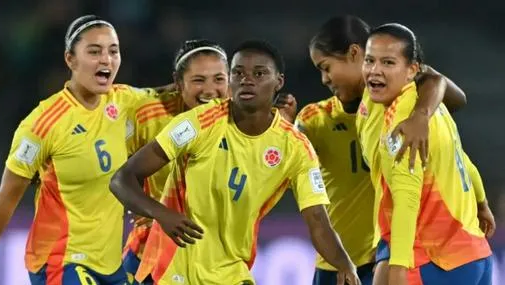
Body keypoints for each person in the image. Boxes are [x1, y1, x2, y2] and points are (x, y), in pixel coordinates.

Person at [109, 40, 360, 285]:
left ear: (278, 82)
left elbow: (318, 220)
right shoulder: (199, 122)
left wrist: (344, 264)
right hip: (172, 269)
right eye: (238, 73)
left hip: (232, 273)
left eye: (259, 73)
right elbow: (122, 179)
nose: (247, 79)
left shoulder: (296, 148)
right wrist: (162, 214)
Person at [299, 15, 482, 285]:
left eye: (326, 67)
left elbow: (444, 88)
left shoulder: (402, 103)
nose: (324, 78)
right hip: (338, 259)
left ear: (353, 53)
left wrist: (420, 114)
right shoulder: (317, 117)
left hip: (393, 246)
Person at [0, 15, 156, 285]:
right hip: (61, 262)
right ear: (70, 60)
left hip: (110, 268)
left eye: (113, 51)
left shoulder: (124, 102)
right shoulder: (43, 124)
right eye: (94, 51)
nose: (106, 59)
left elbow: (175, 98)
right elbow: (7, 196)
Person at [363, 23, 493, 285]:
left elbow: (407, 200)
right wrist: (481, 201)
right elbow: (460, 157)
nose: (375, 70)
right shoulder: (432, 105)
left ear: (412, 70)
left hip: (434, 261)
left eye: (388, 62)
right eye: (370, 61)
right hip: (475, 254)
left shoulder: (403, 121)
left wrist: (398, 268)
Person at [123, 39, 230, 284]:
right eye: (198, 80)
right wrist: (149, 211)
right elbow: (117, 173)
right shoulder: (149, 116)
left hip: (216, 254)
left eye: (218, 79)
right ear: (178, 82)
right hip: (153, 248)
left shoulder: (241, 119)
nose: (210, 90)